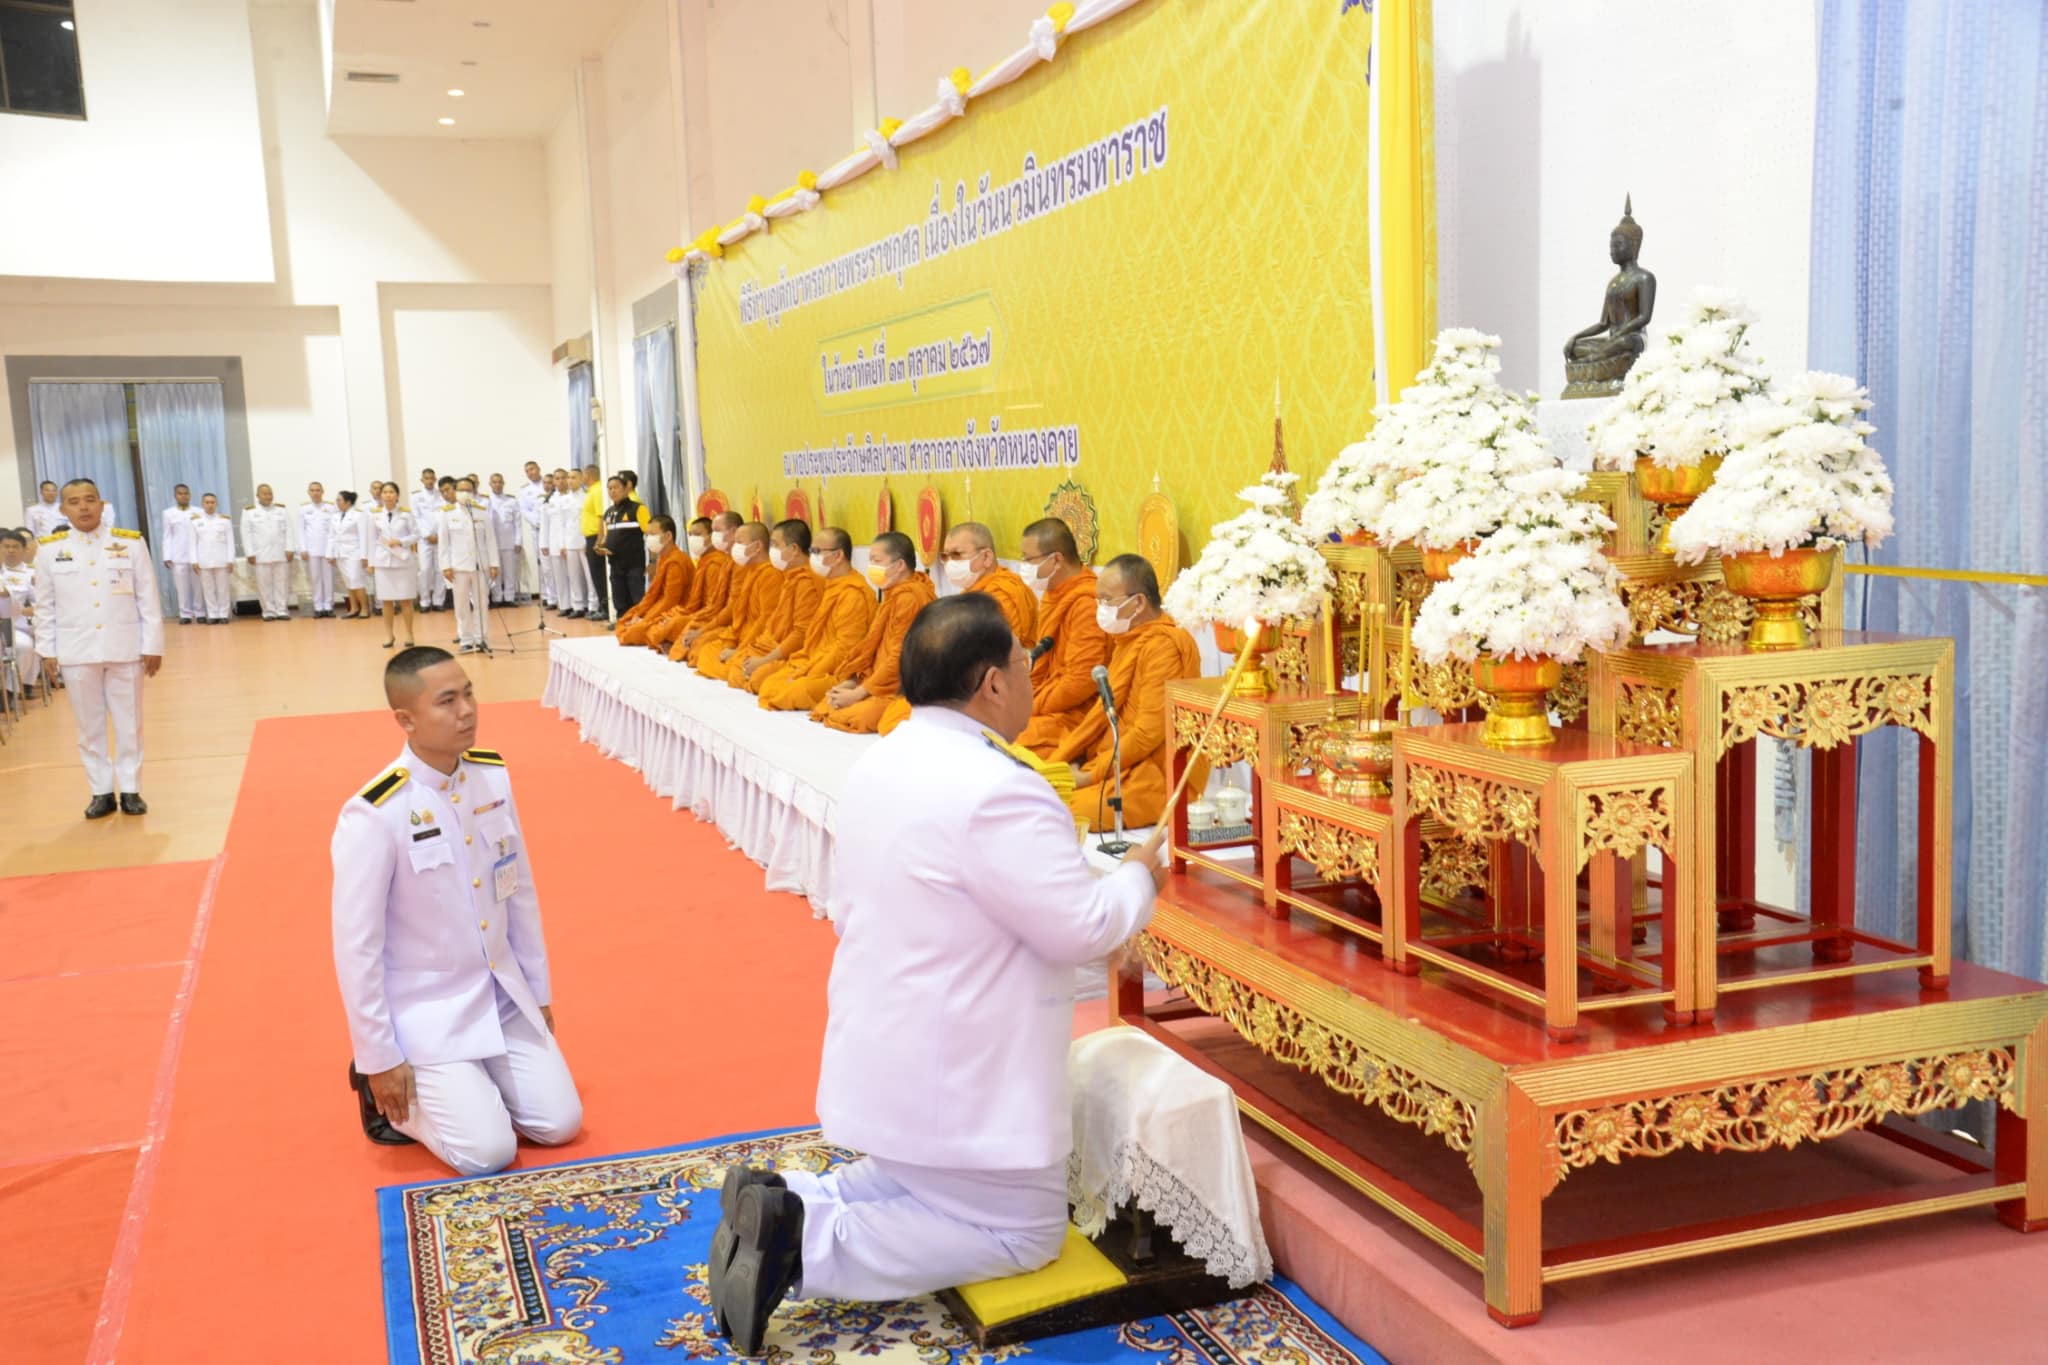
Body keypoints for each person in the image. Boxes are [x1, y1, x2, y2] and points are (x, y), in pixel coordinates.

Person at [706, 594, 1166, 1352]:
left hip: (887, 1042)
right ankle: (805, 1240)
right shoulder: (1003, 786)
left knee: (917, 1184)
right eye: (1024, 664)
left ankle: (790, 1196)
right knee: (1021, 1231)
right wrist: (1139, 878)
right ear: (990, 683)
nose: (1028, 677)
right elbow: (1082, 928)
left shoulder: (887, 754)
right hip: (959, 1070)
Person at [331, 645, 583, 1173]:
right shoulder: (376, 813)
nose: (466, 710)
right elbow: (358, 949)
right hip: (427, 1010)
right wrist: (380, 1056)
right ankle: (392, 1103)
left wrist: (537, 993)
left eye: (468, 693)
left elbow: (519, 893)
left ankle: (473, 1083)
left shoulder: (491, 777)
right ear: (406, 720)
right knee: (487, 1153)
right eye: (447, 701)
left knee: (560, 1126)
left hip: (499, 995)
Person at [33, 478, 164, 818]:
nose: (84, 507)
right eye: (74, 502)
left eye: (90, 500)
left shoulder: (130, 544)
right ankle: (101, 791)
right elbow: (44, 605)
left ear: (102, 504)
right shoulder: (49, 550)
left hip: (125, 647)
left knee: (129, 721)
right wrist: (47, 650)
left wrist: (153, 644)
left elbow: (147, 597)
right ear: (63, 510)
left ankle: (131, 789)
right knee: (88, 727)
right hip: (76, 650)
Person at [1043, 555, 1204, 832]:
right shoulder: (1129, 639)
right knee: (1045, 795)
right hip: (1117, 760)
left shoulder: (1163, 645)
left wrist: (1089, 775)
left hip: (1155, 772)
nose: (1100, 609)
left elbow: (1147, 733)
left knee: (1066, 811)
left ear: (1139, 602)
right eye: (1098, 601)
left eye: (1107, 601)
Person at [876, 522, 1037, 737]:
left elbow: (992, 660)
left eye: (957, 555)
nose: (950, 563)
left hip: (993, 685)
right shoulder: (972, 596)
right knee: (893, 717)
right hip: (960, 680)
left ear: (986, 558)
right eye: (946, 556)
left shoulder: (1005, 594)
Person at [811, 532, 935, 733]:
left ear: (900, 565)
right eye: (870, 560)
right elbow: (874, 649)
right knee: (827, 705)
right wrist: (853, 682)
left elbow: (898, 657)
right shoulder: (893, 594)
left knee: (854, 716)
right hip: (876, 681)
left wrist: (860, 692)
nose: (871, 567)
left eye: (877, 561)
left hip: (900, 687)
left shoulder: (910, 598)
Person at [1015, 518, 1109, 755]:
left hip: (1076, 714)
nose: (1023, 566)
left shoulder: (1086, 603)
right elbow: (1041, 663)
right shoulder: (1054, 594)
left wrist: (1032, 706)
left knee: (1012, 744)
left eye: (1028, 559)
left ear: (1056, 559)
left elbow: (1081, 681)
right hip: (1048, 702)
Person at [753, 529, 876, 707]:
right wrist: (805, 667)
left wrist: (811, 672)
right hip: (814, 659)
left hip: (838, 670)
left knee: (793, 690)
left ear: (838, 555)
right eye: (812, 551)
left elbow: (846, 647)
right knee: (765, 682)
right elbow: (815, 639)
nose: (812, 557)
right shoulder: (832, 585)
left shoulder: (852, 592)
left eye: (817, 552)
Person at [710, 520, 820, 688]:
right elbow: (772, 623)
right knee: (718, 658)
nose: (772, 551)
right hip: (768, 644)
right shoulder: (789, 577)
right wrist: (743, 648)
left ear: (794, 549)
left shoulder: (804, 581)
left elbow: (800, 633)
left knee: (761, 682)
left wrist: (763, 659)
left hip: (796, 653)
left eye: (775, 545)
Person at [681, 520, 775, 671]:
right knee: (702, 650)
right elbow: (734, 611)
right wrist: (730, 640)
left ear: (758, 546)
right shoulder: (749, 569)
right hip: (739, 631)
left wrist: (740, 649)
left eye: (739, 542)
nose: (735, 546)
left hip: (758, 639)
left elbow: (765, 620)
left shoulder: (770, 574)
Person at [651, 512, 738, 656]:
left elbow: (718, 608)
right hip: (705, 615)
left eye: (697, 534)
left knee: (697, 648)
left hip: (724, 622)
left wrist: (700, 626)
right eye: (690, 534)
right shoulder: (712, 561)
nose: (692, 539)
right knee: (661, 624)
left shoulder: (717, 564)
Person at [439, 477, 499, 654]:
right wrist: (445, 566)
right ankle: (465, 639)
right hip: (458, 566)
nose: (464, 493)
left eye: (468, 489)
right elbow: (444, 542)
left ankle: (482, 639)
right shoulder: (447, 513)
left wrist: (494, 563)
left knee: (482, 603)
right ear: (455, 491)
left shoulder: (481, 512)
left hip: (480, 566)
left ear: (474, 492)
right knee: (462, 604)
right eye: (461, 489)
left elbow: (490, 539)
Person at [614, 515, 693, 645]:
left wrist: (646, 618)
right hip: (662, 607)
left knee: (634, 631)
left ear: (668, 536)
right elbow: (653, 594)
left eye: (653, 534)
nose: (649, 539)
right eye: (647, 534)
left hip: (677, 610)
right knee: (625, 621)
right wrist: (640, 613)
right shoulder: (663, 557)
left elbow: (670, 601)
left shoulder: (676, 561)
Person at [370, 484, 420, 649]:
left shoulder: (406, 514)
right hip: (383, 563)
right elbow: (370, 540)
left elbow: (416, 535)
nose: (388, 495)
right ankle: (389, 634)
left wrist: (401, 541)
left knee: (406, 600)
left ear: (397, 495)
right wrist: (371, 562)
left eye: (392, 492)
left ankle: (409, 633)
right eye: (385, 492)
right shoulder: (375, 515)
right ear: (381, 495)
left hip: (403, 561)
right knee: (386, 601)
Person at [597, 475, 650, 621]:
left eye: (616, 487)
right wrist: (600, 547)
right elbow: (607, 538)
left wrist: (652, 561)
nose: (613, 491)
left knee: (636, 596)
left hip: (634, 563)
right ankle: (622, 623)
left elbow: (650, 535)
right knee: (619, 597)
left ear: (626, 489)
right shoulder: (608, 513)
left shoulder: (638, 509)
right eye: (610, 488)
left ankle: (639, 623)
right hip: (615, 563)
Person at [241, 484, 294, 621]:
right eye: (264, 494)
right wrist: (249, 553)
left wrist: (290, 548)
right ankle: (268, 611)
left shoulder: (281, 510)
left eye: (270, 493)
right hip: (260, 554)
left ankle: (282, 610)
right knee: (264, 584)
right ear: (257, 496)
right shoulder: (249, 512)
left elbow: (289, 530)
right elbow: (246, 533)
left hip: (280, 552)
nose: (268, 496)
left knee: (281, 583)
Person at [0, 530, 37, 700]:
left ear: (23, 550)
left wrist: (24, 610)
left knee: (24, 647)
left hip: (16, 626)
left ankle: (8, 693)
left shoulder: (29, 575)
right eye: (6, 546)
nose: (10, 551)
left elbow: (40, 603)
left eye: (15, 547)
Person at [159, 484, 201, 625]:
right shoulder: (168, 513)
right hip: (178, 554)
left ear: (190, 495)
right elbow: (167, 536)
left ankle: (200, 612)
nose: (183, 496)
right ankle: (185, 614)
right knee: (181, 587)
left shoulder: (199, 512)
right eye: (180, 493)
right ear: (175, 496)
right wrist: (167, 555)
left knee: (198, 586)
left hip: (196, 555)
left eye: (186, 493)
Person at [191, 493, 236, 624]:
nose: (210, 505)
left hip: (222, 560)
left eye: (212, 502)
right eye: (207, 502)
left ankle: (223, 614)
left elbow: (230, 542)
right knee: (208, 588)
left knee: (223, 588)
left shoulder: (224, 520)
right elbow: (192, 543)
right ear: (202, 504)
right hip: (204, 560)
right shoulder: (195, 521)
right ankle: (212, 614)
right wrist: (194, 561)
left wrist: (230, 560)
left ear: (216, 504)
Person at [298, 482, 341, 617]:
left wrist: (333, 550)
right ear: (309, 492)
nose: (315, 492)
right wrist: (303, 549)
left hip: (327, 549)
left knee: (328, 578)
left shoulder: (330, 507)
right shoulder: (304, 508)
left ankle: (328, 606)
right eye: (312, 490)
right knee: (315, 578)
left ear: (323, 492)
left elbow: (334, 531)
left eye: (318, 490)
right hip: (311, 549)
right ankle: (318, 606)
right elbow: (301, 530)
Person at [410, 468, 448, 612]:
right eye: (427, 478)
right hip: (424, 539)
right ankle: (424, 601)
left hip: (440, 538)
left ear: (435, 479)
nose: (430, 481)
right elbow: (416, 517)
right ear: (422, 480)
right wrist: (426, 534)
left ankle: (438, 601)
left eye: (432, 478)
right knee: (425, 570)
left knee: (440, 569)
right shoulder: (416, 497)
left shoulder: (441, 495)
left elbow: (444, 515)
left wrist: (439, 534)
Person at [579, 462, 611, 623]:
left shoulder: (597, 491)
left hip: (596, 537)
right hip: (590, 537)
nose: (582, 478)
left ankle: (605, 608)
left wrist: (599, 540)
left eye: (583, 475)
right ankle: (601, 606)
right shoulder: (591, 491)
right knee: (595, 574)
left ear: (589, 475)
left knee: (599, 575)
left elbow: (601, 516)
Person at [487, 473, 523, 605]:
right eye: (494, 482)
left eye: (500, 482)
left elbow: (517, 523)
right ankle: (496, 598)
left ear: (503, 484)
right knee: (496, 572)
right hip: (493, 543)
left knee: (510, 572)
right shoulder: (486, 501)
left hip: (509, 542)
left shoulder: (511, 501)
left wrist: (518, 541)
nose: (497, 485)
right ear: (490, 484)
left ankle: (509, 598)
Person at [517, 461, 548, 605]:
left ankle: (557, 595)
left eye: (532, 469)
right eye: (527, 471)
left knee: (553, 562)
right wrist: (537, 522)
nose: (530, 472)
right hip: (537, 529)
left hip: (552, 528)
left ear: (538, 469)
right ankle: (546, 596)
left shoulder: (548, 483)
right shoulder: (525, 490)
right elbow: (524, 510)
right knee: (541, 562)